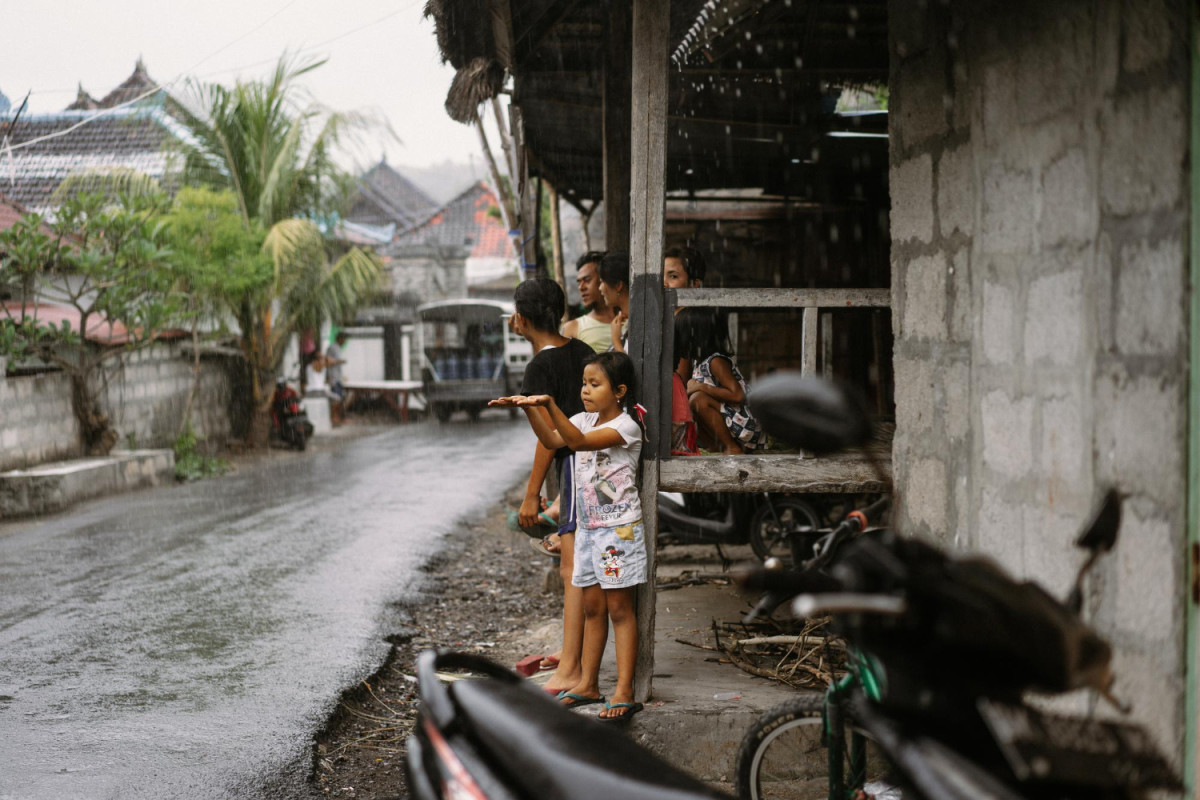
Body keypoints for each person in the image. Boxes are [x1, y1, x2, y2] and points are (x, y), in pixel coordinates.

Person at [490, 351, 646, 722]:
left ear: (619, 390)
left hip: (618, 531)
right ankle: (588, 684)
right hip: (590, 530)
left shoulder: (627, 426)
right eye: (584, 383)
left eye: (595, 384)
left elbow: (577, 443)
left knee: (619, 610)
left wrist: (549, 404)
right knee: (592, 608)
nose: (586, 390)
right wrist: (529, 408)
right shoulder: (581, 418)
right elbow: (551, 438)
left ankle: (624, 689)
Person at [510, 277, 594, 694]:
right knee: (582, 567)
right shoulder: (582, 352)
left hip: (574, 470)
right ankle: (572, 654)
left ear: (521, 320)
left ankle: (572, 670)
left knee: (571, 568)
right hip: (597, 464)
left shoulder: (538, 368)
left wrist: (531, 495)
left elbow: (549, 439)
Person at [676, 308, 765, 454]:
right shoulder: (698, 362)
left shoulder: (715, 361)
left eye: (681, 334)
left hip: (745, 423)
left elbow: (737, 395)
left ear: (695, 336)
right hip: (732, 420)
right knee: (689, 403)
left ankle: (732, 447)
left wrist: (701, 387)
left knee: (698, 400)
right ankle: (715, 446)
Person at [561, 251, 615, 353]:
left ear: (603, 280)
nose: (581, 287)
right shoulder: (572, 328)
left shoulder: (630, 320)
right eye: (579, 282)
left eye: (587, 280)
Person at [598, 251, 631, 354]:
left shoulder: (640, 323)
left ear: (618, 286)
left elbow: (630, 368)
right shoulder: (627, 321)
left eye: (602, 282)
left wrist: (616, 340)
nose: (600, 288)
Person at [325, 332, 349, 423]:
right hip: (333, 378)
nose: (344, 341)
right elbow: (328, 361)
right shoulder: (332, 348)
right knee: (335, 399)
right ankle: (334, 418)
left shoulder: (338, 348)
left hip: (338, 377)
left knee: (340, 398)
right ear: (340, 338)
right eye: (343, 339)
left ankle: (339, 417)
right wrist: (340, 361)